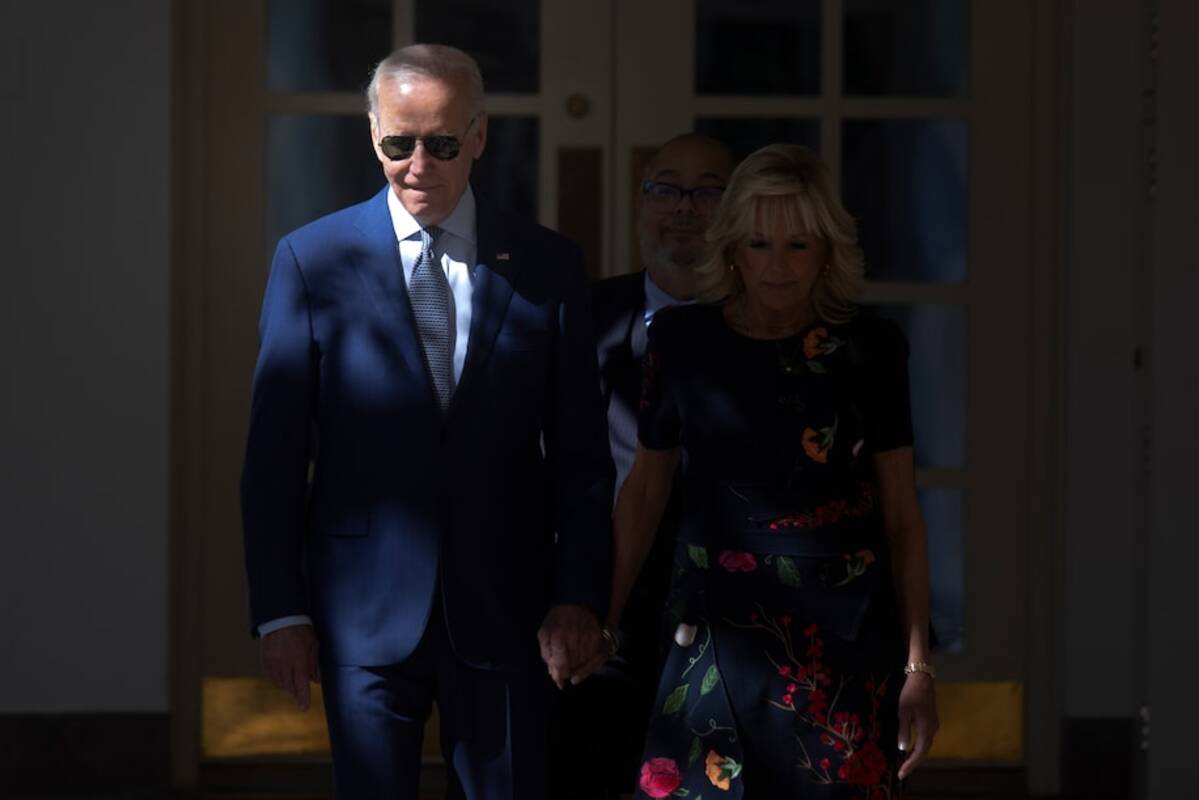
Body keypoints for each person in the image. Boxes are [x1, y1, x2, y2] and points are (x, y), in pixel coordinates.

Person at [239, 44, 614, 800]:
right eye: (397, 144)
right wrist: (281, 612)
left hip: (507, 605)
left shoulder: (546, 265)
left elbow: (580, 452)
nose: (418, 164)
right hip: (364, 610)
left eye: (441, 143)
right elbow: (275, 456)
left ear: (478, 136)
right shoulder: (313, 261)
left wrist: (578, 596)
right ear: (371, 134)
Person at [608, 144, 939, 798]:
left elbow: (901, 519)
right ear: (731, 247)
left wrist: (918, 667)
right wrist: (604, 617)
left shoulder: (871, 350)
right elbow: (644, 491)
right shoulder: (681, 341)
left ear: (827, 251)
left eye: (799, 245)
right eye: (759, 243)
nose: (779, 266)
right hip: (711, 631)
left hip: (841, 635)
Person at [549, 133, 736, 798]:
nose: (683, 207)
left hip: (734, 612)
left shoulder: (768, 327)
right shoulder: (579, 315)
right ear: (640, 203)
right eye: (664, 187)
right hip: (600, 599)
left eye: (707, 189)